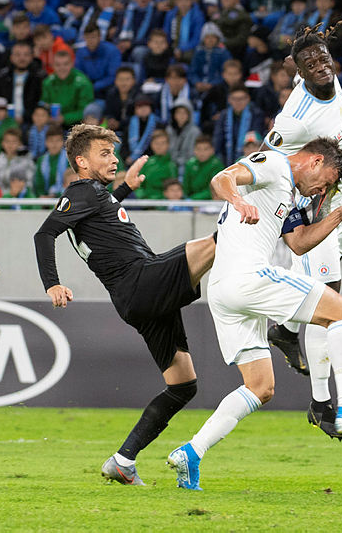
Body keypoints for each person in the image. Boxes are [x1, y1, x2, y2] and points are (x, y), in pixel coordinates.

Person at [167, 140, 342, 491]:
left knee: (260, 387)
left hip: (225, 291)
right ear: (315, 161)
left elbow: (299, 243)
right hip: (248, 277)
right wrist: (238, 201)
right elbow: (221, 178)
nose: (322, 190)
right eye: (326, 181)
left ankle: (191, 452)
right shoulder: (274, 164)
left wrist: (339, 214)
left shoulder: (287, 192)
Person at [33, 124, 217, 486]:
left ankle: (122, 461)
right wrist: (52, 283)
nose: (114, 159)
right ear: (81, 162)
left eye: (113, 152)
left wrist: (126, 188)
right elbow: (44, 233)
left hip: (136, 297)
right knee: (223, 237)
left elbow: (100, 213)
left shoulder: (94, 196)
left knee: (183, 385)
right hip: (141, 280)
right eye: (105, 153)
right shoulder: (81, 192)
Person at [261, 25, 342, 440]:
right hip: (314, 207)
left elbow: (302, 58)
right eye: (311, 63)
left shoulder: (327, 79)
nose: (321, 66)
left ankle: (285, 330)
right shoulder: (294, 118)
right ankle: (322, 404)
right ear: (300, 71)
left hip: (340, 202)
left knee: (326, 298)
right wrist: (287, 211)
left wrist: (300, 53)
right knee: (329, 303)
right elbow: (266, 160)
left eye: (323, 58)